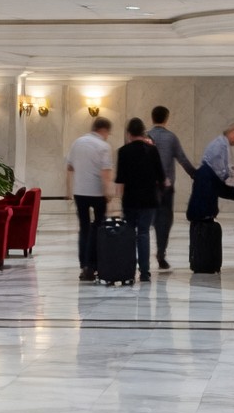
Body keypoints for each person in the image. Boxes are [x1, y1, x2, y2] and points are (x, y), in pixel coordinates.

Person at [113, 116, 166, 283]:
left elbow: (120, 180)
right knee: (143, 234)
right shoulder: (152, 150)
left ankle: (128, 269)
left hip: (130, 200)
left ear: (128, 133)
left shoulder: (123, 152)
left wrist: (118, 201)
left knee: (129, 234)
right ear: (143, 133)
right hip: (149, 200)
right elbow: (161, 177)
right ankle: (144, 272)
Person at [66, 116, 113, 281]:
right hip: (97, 193)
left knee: (84, 228)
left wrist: (69, 190)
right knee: (99, 229)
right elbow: (105, 173)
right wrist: (108, 193)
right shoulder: (103, 146)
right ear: (104, 130)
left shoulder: (77, 143)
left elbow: (70, 167)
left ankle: (84, 265)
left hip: (80, 192)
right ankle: (94, 264)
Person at [144, 106, 187, 271]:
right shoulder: (171, 138)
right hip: (166, 188)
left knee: (146, 222)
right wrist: (195, 174)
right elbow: (182, 159)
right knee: (164, 222)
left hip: (148, 188)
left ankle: (143, 258)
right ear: (166, 118)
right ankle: (161, 254)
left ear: (152, 117)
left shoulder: (146, 137)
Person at [186, 122, 234, 226]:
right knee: (203, 227)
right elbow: (220, 175)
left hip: (205, 187)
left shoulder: (221, 143)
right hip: (205, 191)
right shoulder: (221, 146)